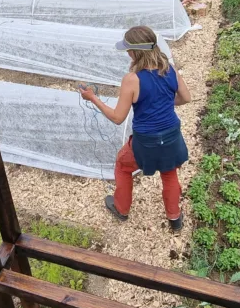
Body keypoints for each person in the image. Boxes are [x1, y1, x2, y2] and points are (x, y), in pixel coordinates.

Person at [79, 25, 191, 231]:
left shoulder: (132, 79)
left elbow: (117, 117)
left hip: (146, 140)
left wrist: (93, 98)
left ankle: (121, 208)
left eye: (128, 50)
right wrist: (164, 103)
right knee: (169, 173)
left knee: (123, 166)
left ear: (134, 52)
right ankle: (175, 219)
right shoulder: (170, 70)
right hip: (172, 136)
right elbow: (186, 97)